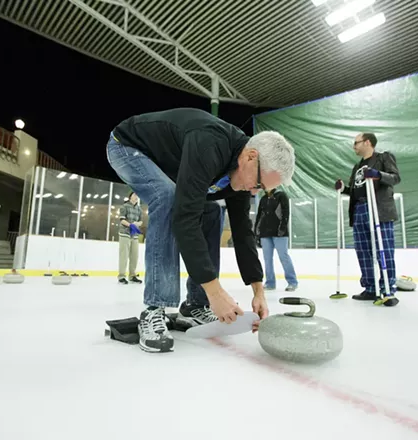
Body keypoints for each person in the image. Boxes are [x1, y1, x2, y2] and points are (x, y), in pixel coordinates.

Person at [107, 107, 295, 353]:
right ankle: (154, 309)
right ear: (250, 157)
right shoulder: (209, 146)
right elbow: (184, 218)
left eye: (261, 189)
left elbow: (242, 232)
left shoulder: (243, 174)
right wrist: (215, 292)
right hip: (128, 147)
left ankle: (195, 304)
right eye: (258, 184)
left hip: (168, 162)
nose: (253, 192)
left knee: (212, 211)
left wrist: (258, 291)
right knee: (167, 197)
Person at [335, 133, 400, 307]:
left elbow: (395, 178)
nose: (353, 146)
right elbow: (357, 190)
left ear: (367, 142)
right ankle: (370, 287)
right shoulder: (357, 166)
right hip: (360, 209)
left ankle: (387, 288)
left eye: (356, 143)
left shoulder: (383, 158)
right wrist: (345, 188)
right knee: (363, 251)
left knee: (384, 249)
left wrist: (378, 174)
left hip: (378, 209)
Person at [254, 188, 298, 291]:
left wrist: (282, 228)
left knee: (284, 256)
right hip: (265, 233)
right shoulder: (263, 198)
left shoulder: (281, 196)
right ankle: (270, 282)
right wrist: (257, 233)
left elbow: (285, 213)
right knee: (267, 259)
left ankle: (292, 282)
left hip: (279, 233)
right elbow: (259, 216)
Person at [118, 191, 143, 285]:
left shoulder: (139, 209)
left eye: (137, 195)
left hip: (134, 235)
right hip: (125, 233)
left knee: (134, 256)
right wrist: (130, 225)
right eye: (135, 194)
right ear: (130, 197)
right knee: (124, 256)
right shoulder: (124, 206)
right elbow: (122, 220)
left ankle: (132, 276)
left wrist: (137, 224)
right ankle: (121, 276)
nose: (136, 196)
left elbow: (141, 221)